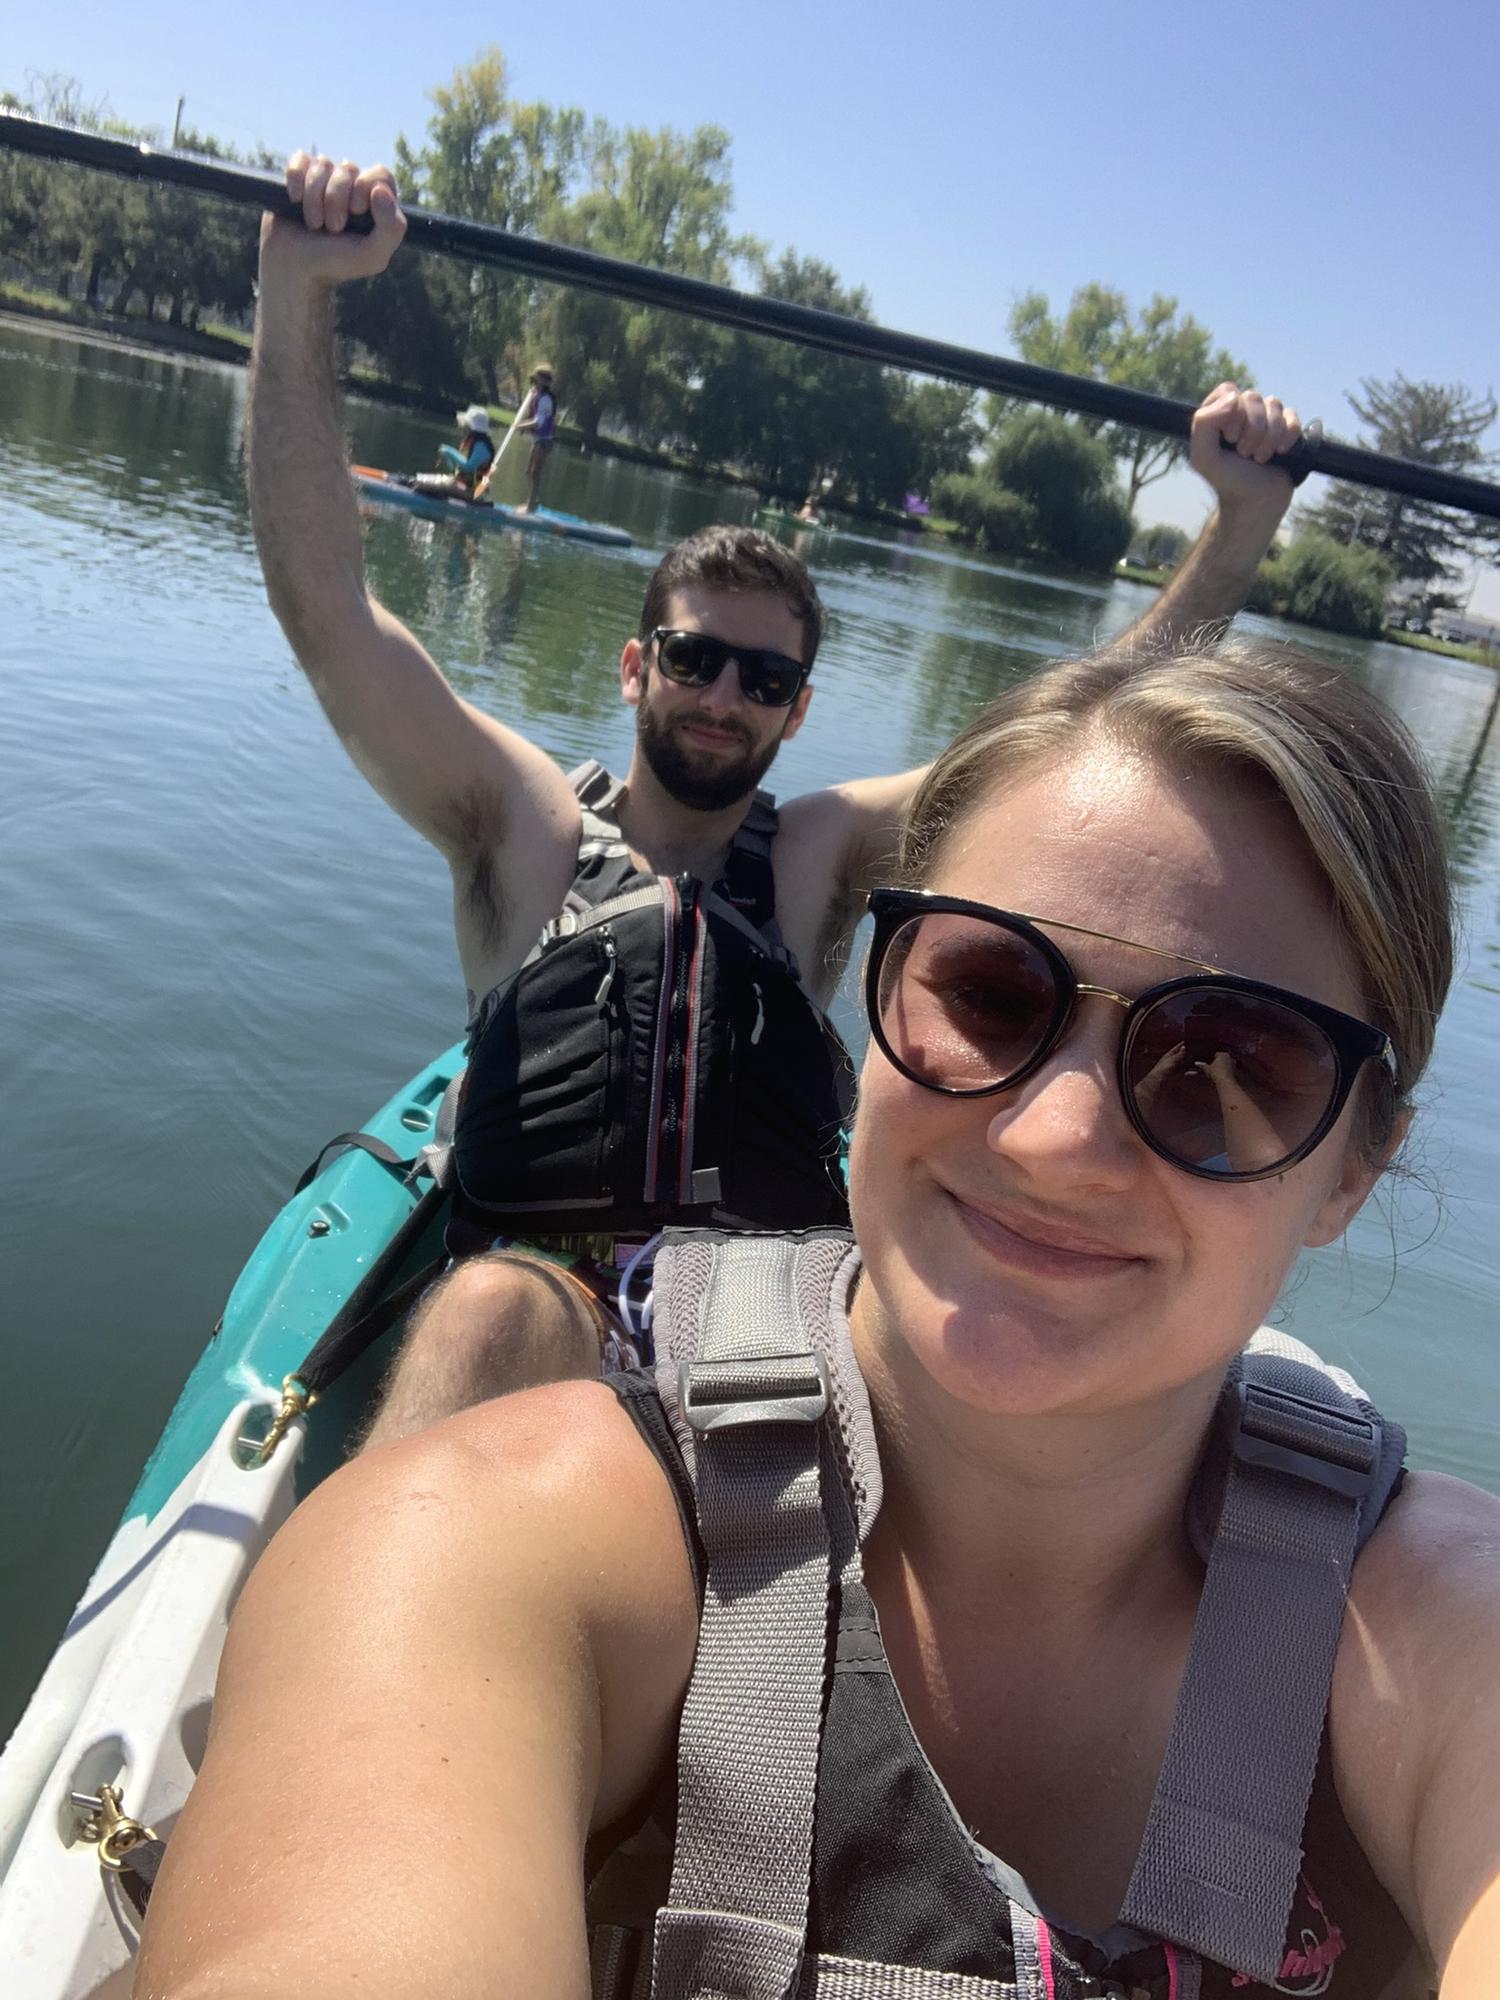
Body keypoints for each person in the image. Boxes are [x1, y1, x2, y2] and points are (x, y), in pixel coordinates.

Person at [134, 637, 1500, 1995]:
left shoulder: (1447, 1623)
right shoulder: (484, 1544)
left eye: (1225, 1061)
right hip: (606, 1321)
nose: (1059, 1137)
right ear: (881, 993)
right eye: (991, 992)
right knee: (491, 1304)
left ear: (1354, 1168)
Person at [246, 150, 1303, 1449]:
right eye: (692, 659)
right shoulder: (519, 822)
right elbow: (330, 612)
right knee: (488, 1317)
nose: (721, 696)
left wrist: (1239, 523)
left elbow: (1069, 737)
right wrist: (297, 286)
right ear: (638, 667)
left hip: (761, 1326)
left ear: (797, 707)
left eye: (764, 677)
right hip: (538, 1312)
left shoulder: (818, 856)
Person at [409, 401, 495, 500]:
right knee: (417, 479)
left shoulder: (482, 447)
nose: (464, 427)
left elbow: (469, 467)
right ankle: (403, 480)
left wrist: (450, 452)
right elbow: (456, 470)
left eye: (467, 424)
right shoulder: (474, 443)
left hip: (470, 491)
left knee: (419, 483)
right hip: (460, 484)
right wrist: (448, 457)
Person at [514, 364, 557, 513]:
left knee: (535, 473)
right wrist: (523, 424)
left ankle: (531, 506)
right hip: (539, 438)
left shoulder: (546, 399)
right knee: (528, 472)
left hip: (545, 440)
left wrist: (522, 426)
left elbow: (539, 422)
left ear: (544, 381)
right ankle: (532, 502)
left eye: (538, 378)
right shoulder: (536, 395)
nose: (535, 379)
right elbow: (532, 416)